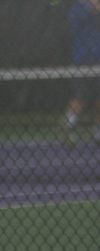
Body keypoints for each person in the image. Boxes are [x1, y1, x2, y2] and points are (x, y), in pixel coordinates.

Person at [63, 0, 100, 144]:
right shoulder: (77, 10)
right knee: (80, 97)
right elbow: (93, 9)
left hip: (98, 61)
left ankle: (97, 132)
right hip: (82, 61)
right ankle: (68, 126)